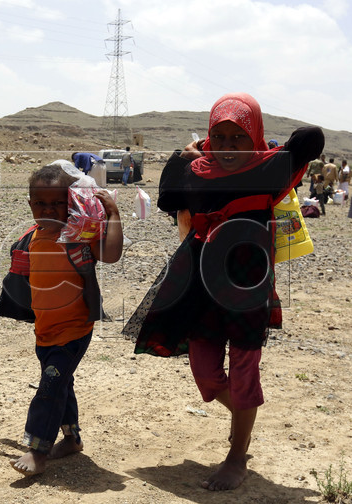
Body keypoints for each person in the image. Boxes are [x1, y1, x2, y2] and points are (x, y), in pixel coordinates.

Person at [123, 92, 324, 491]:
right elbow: (168, 197)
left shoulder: (271, 170)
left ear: (255, 137)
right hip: (199, 277)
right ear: (209, 138)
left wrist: (271, 149)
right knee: (206, 374)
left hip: (246, 280)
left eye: (239, 137)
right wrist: (184, 156)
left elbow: (312, 138)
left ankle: (237, 456)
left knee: (245, 368)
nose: (229, 147)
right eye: (221, 137)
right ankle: (244, 419)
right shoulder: (198, 169)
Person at [0, 162, 123, 477]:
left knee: (50, 386)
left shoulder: (78, 234)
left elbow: (111, 254)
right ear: (30, 205)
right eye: (41, 203)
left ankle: (37, 451)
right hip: (45, 329)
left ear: (72, 203)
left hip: (74, 329)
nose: (49, 209)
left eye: (57, 203)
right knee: (61, 383)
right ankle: (71, 439)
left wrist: (114, 215)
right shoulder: (33, 235)